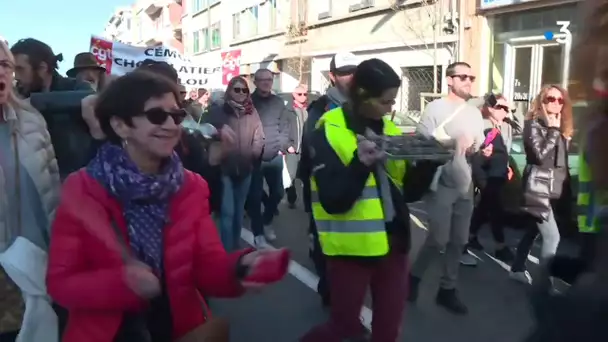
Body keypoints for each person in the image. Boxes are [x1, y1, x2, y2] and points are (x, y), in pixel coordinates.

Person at [45, 71, 287, 342]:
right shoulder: (82, 188)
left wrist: (240, 267)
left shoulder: (191, 186)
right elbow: (60, 283)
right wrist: (123, 283)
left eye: (176, 116)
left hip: (178, 327)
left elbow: (208, 267)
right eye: (156, 116)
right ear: (121, 125)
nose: (171, 126)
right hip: (108, 333)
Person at [300, 58, 441, 342]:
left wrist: (429, 163)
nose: (391, 109)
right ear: (363, 95)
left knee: (388, 331)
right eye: (386, 101)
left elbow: (407, 193)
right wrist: (360, 164)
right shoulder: (326, 131)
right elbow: (333, 201)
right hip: (351, 251)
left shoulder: (389, 130)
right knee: (342, 328)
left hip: (395, 245)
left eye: (393, 101)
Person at [408, 61, 490, 315]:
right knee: (437, 238)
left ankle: (447, 289)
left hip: (465, 184)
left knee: (459, 240)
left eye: (471, 77)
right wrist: (451, 142)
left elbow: (473, 147)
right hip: (441, 182)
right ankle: (413, 278)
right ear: (450, 80)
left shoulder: (475, 113)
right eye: (463, 76)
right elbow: (422, 145)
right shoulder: (435, 108)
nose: (468, 81)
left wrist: (481, 151)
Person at [0, 40, 61, 342]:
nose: (0, 73)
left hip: (34, 265)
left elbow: (52, 187)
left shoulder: (32, 121)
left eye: (4, 65)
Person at [298, 52, 359, 307]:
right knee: (327, 247)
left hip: (358, 189)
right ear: (332, 77)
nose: (351, 77)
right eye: (344, 72)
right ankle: (330, 291)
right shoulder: (320, 109)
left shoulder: (364, 105)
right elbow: (311, 152)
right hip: (325, 190)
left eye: (354, 71)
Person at [510, 85, 573, 285]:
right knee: (552, 237)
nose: (555, 103)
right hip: (539, 188)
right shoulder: (533, 125)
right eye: (550, 99)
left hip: (554, 190)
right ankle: (543, 284)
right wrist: (554, 131)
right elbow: (539, 156)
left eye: (560, 100)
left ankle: (517, 268)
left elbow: (560, 165)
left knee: (533, 230)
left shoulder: (561, 128)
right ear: (541, 102)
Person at [204, 77, 264, 251]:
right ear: (229, 90)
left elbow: (259, 135)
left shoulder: (252, 112)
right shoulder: (218, 110)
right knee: (227, 212)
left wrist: (255, 151)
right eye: (236, 90)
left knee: (238, 214)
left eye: (244, 90)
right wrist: (218, 133)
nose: (240, 94)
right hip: (225, 169)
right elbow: (204, 131)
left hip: (246, 169)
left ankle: (235, 248)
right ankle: (226, 252)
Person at [461, 93, 517, 266]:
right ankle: (500, 247)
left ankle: (470, 237)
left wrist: (505, 166)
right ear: (488, 108)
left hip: (497, 176)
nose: (504, 111)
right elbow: (479, 156)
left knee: (483, 210)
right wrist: (483, 182)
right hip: (489, 178)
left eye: (506, 109)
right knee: (496, 211)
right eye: (499, 107)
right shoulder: (486, 128)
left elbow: (501, 152)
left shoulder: (500, 126)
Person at [247, 68, 291, 247]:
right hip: (254, 157)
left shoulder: (278, 102)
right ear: (255, 82)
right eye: (262, 80)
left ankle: (266, 221)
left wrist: (281, 146)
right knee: (255, 198)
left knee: (278, 192)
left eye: (269, 80)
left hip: (274, 155)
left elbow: (285, 126)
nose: (266, 83)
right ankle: (258, 233)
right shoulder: (248, 102)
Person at [10, 38, 92, 96]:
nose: (16, 76)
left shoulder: (78, 89)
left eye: (20, 69)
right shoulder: (16, 96)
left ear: (42, 68)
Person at [285, 84, 309, 208]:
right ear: (293, 95)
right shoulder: (288, 110)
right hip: (293, 149)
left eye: (305, 94)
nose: (303, 97)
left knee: (307, 179)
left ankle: (308, 205)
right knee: (291, 177)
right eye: (299, 94)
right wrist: (287, 145)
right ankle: (291, 200)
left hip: (307, 150)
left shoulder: (309, 110)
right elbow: (283, 129)